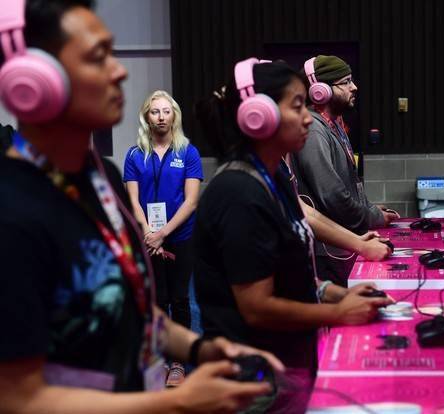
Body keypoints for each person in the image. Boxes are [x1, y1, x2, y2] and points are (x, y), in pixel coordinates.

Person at [0, 1, 281, 412]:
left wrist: (201, 348)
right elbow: (17, 398)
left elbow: (134, 312)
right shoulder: (12, 210)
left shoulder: (103, 179)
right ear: (36, 80)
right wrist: (178, 402)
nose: (120, 71)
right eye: (99, 57)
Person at [193, 58, 392, 413]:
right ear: (259, 116)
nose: (307, 118)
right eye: (297, 106)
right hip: (253, 384)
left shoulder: (273, 178)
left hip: (287, 368)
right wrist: (339, 313)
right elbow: (257, 308)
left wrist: (338, 293)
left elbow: (290, 277)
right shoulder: (238, 192)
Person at [289, 55, 398, 287]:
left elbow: (348, 185)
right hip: (330, 252)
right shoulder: (315, 130)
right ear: (320, 91)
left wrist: (369, 208)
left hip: (343, 245)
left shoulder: (334, 125)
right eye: (346, 82)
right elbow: (333, 195)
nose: (354, 87)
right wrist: (372, 217)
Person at [124, 90, 203, 386]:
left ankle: (178, 363)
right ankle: (158, 359)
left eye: (166, 111)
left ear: (174, 116)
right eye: (155, 111)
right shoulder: (134, 155)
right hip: (148, 239)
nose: (161, 117)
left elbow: (191, 201)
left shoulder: (188, 152)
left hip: (180, 237)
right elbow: (133, 200)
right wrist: (148, 233)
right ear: (147, 116)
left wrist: (163, 233)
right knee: (156, 299)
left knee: (180, 299)